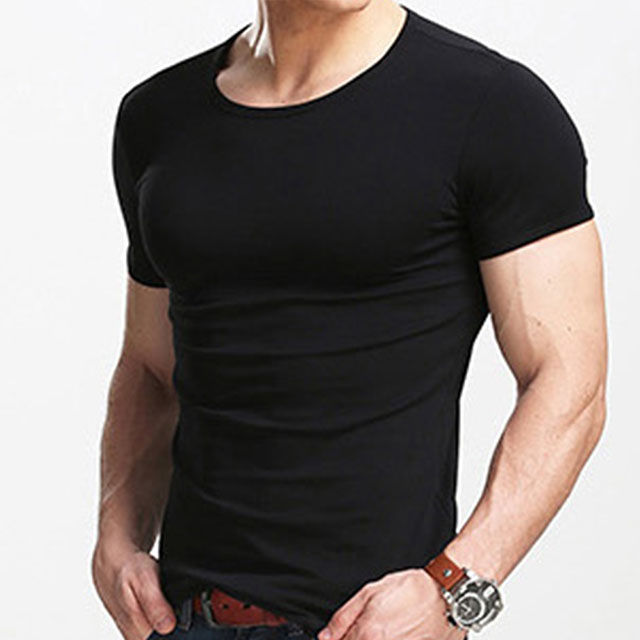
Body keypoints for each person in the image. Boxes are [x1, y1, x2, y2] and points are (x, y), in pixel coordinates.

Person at [91, 1, 607, 639]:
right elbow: (151, 365)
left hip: (372, 624)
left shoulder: (492, 107)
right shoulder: (158, 117)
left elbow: (569, 380)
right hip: (187, 617)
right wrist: (116, 535)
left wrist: (457, 585)